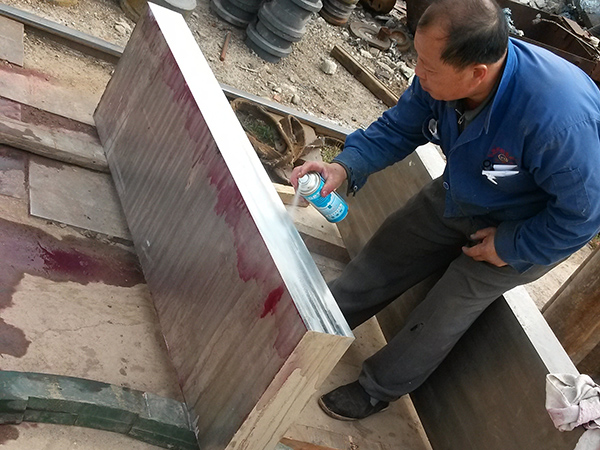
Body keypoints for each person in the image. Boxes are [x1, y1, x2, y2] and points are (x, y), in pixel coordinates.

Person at [291, 0, 600, 421]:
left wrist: (510, 245)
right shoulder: (441, 75)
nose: (417, 71)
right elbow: (399, 126)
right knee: (391, 248)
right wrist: (343, 166)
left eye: (428, 66)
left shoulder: (559, 121)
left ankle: (377, 388)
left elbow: (582, 216)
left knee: (449, 304)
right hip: (467, 189)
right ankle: (316, 323)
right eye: (418, 57)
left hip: (536, 226)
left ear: (476, 73)